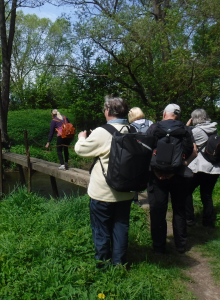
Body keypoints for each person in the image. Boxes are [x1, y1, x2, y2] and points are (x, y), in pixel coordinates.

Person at [75, 96, 134, 267]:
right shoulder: (132, 130)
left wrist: (82, 137)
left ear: (108, 111)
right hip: (126, 190)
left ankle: (102, 263)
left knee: (101, 229)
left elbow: (81, 150)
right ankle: (120, 264)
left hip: (103, 191)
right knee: (121, 227)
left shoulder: (102, 131)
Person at [145, 104, 197, 254]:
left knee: (157, 211)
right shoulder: (186, 130)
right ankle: (181, 245)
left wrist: (155, 170)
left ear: (164, 114)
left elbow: (146, 151)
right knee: (179, 210)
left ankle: (159, 248)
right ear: (178, 116)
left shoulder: (154, 128)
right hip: (179, 176)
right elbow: (191, 151)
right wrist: (178, 168)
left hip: (156, 177)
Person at [185, 109, 220, 228]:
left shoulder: (196, 131)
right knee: (207, 195)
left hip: (201, 168)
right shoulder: (213, 128)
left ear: (194, 118)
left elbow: (184, 138)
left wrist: (186, 126)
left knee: (186, 191)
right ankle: (208, 222)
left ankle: (189, 218)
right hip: (215, 168)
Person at [128, 107, 153, 205]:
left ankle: (135, 200)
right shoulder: (150, 123)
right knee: (150, 176)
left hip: (136, 155)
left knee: (135, 177)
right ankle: (151, 198)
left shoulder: (130, 126)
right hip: (150, 154)